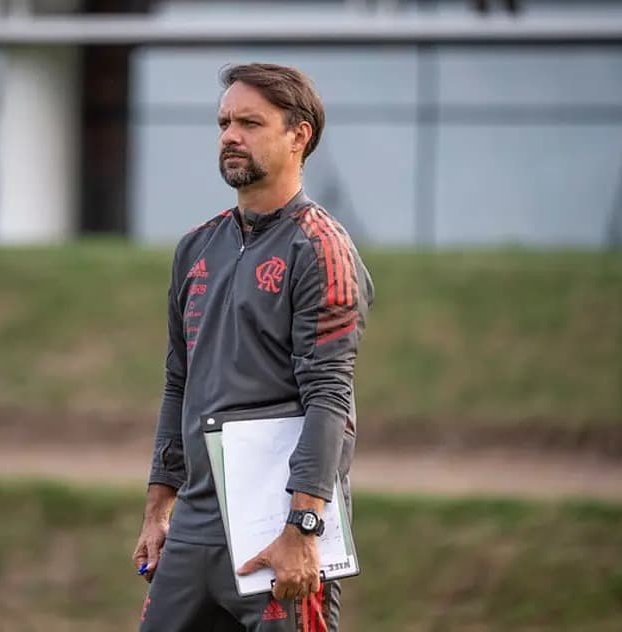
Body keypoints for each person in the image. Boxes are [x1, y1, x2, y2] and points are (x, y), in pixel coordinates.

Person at [133, 62, 374, 632]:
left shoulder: (320, 248)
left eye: (250, 123)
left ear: (299, 136)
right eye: (223, 123)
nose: (230, 136)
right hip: (193, 527)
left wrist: (303, 527)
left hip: (278, 531)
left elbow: (330, 400)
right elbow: (178, 383)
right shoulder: (194, 248)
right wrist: (156, 510)